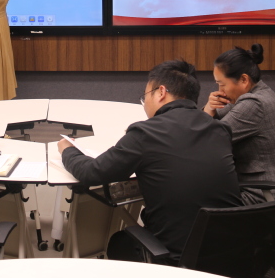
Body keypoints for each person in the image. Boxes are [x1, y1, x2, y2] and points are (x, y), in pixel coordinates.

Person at [57, 60, 242, 265]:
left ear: (161, 92)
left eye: (145, 96)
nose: (144, 103)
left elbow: (91, 172)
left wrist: (68, 150)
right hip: (234, 253)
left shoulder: (146, 133)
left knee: (119, 243)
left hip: (178, 259)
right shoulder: (219, 129)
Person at [203, 43, 275, 205]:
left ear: (244, 80)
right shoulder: (259, 92)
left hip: (269, 195)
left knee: (196, 200)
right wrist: (210, 108)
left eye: (222, 84)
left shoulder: (254, 104)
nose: (220, 91)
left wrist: (208, 111)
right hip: (273, 186)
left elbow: (207, 141)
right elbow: (213, 123)